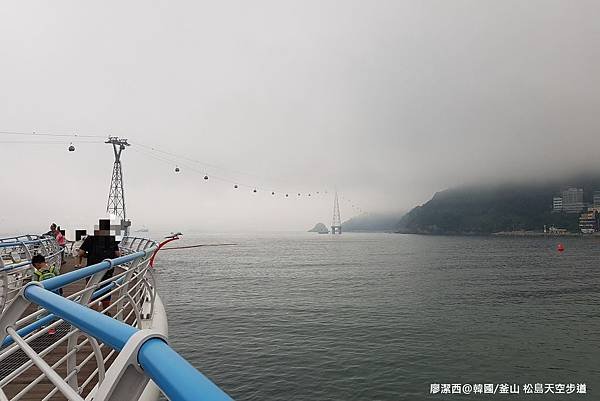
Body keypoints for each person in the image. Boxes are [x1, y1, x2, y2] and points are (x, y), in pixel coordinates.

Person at [77, 223, 121, 312]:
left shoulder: (91, 238)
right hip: (107, 270)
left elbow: (81, 253)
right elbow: (117, 254)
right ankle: (106, 311)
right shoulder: (112, 239)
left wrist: (88, 255)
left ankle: (94, 314)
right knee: (106, 291)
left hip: (93, 270)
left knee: (93, 292)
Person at [31, 254, 62, 334]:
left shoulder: (37, 273)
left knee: (42, 311)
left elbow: (34, 285)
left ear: (37, 264)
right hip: (55, 294)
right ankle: (52, 328)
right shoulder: (53, 269)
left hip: (43, 296)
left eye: (35, 266)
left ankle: (38, 327)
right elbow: (59, 279)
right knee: (53, 311)